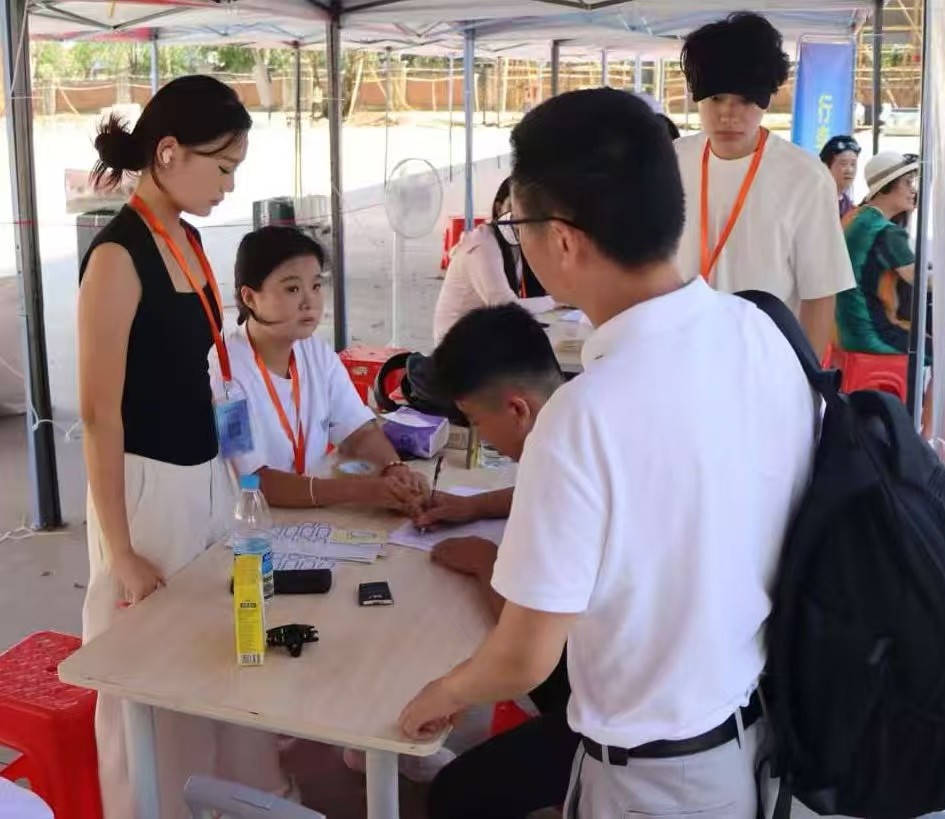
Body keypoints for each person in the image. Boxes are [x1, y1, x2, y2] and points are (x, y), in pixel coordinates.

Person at [399, 87, 817, 818]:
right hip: (750, 736)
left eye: (518, 223)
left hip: (654, 780)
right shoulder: (759, 331)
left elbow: (524, 657)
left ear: (562, 239)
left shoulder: (582, 416)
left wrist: (442, 693)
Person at [78, 75, 288, 819]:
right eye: (222, 167)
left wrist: (238, 475)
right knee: (146, 676)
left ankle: (224, 802)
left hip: (206, 478)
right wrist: (121, 549)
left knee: (213, 654)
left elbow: (206, 370)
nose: (230, 185)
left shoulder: (190, 241)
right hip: (145, 488)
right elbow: (98, 415)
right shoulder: (117, 256)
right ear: (168, 152)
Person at [399, 304, 576, 818]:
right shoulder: (582, 420)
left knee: (457, 795)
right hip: (687, 686)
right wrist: (473, 506)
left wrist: (486, 564)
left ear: (517, 409)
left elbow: (526, 654)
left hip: (621, 715)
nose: (479, 434)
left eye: (477, 421)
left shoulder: (559, 474)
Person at [210, 226, 428, 511]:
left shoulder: (315, 351)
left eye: (315, 286)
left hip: (308, 514)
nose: (309, 301)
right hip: (253, 521)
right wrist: (362, 491)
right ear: (250, 298)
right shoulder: (224, 375)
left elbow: (358, 430)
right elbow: (255, 481)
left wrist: (394, 469)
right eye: (292, 289)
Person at [674, 12, 854, 357]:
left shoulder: (805, 177)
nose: (728, 114)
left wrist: (808, 379)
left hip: (766, 362)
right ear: (697, 97)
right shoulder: (670, 162)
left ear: (767, 99)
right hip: (682, 354)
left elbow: (820, 293)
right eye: (716, 98)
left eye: (745, 100)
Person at [837, 151, 934, 435]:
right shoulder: (885, 231)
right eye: (907, 183)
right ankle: (926, 438)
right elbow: (920, 280)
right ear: (887, 187)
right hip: (870, 330)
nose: (913, 190)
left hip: (844, 327)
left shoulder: (855, 216)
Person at [432, 178, 555, 345]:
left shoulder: (515, 243)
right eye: (515, 208)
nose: (523, 218)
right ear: (499, 209)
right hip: (456, 345)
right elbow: (505, 306)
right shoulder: (481, 244)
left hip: (486, 333)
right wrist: (556, 301)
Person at [820, 134, 861, 217]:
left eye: (853, 164)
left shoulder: (850, 207)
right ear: (826, 166)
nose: (849, 170)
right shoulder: (816, 200)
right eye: (843, 163)